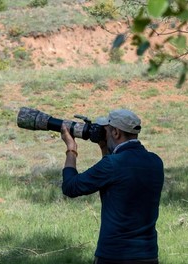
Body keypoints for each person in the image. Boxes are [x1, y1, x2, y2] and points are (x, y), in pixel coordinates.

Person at [60, 109, 164, 264]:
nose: (103, 134)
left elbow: (70, 187)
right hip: (148, 255)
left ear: (116, 133)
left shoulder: (112, 164)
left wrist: (71, 148)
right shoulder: (155, 162)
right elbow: (116, 182)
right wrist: (104, 148)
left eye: (106, 131)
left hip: (114, 255)